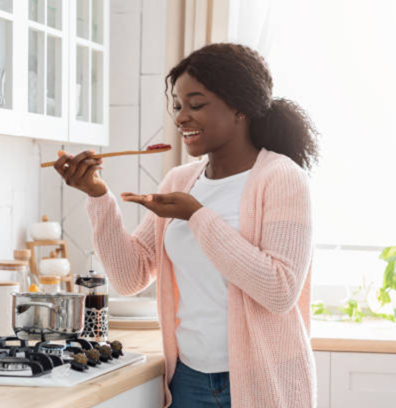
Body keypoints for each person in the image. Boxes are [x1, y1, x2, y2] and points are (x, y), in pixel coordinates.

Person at [54, 43, 319, 408]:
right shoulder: (180, 181)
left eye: (196, 105)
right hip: (189, 380)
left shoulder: (282, 178)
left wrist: (197, 216)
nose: (181, 118)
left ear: (240, 107)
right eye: (178, 106)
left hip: (264, 379)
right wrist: (98, 195)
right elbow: (130, 277)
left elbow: (279, 291)